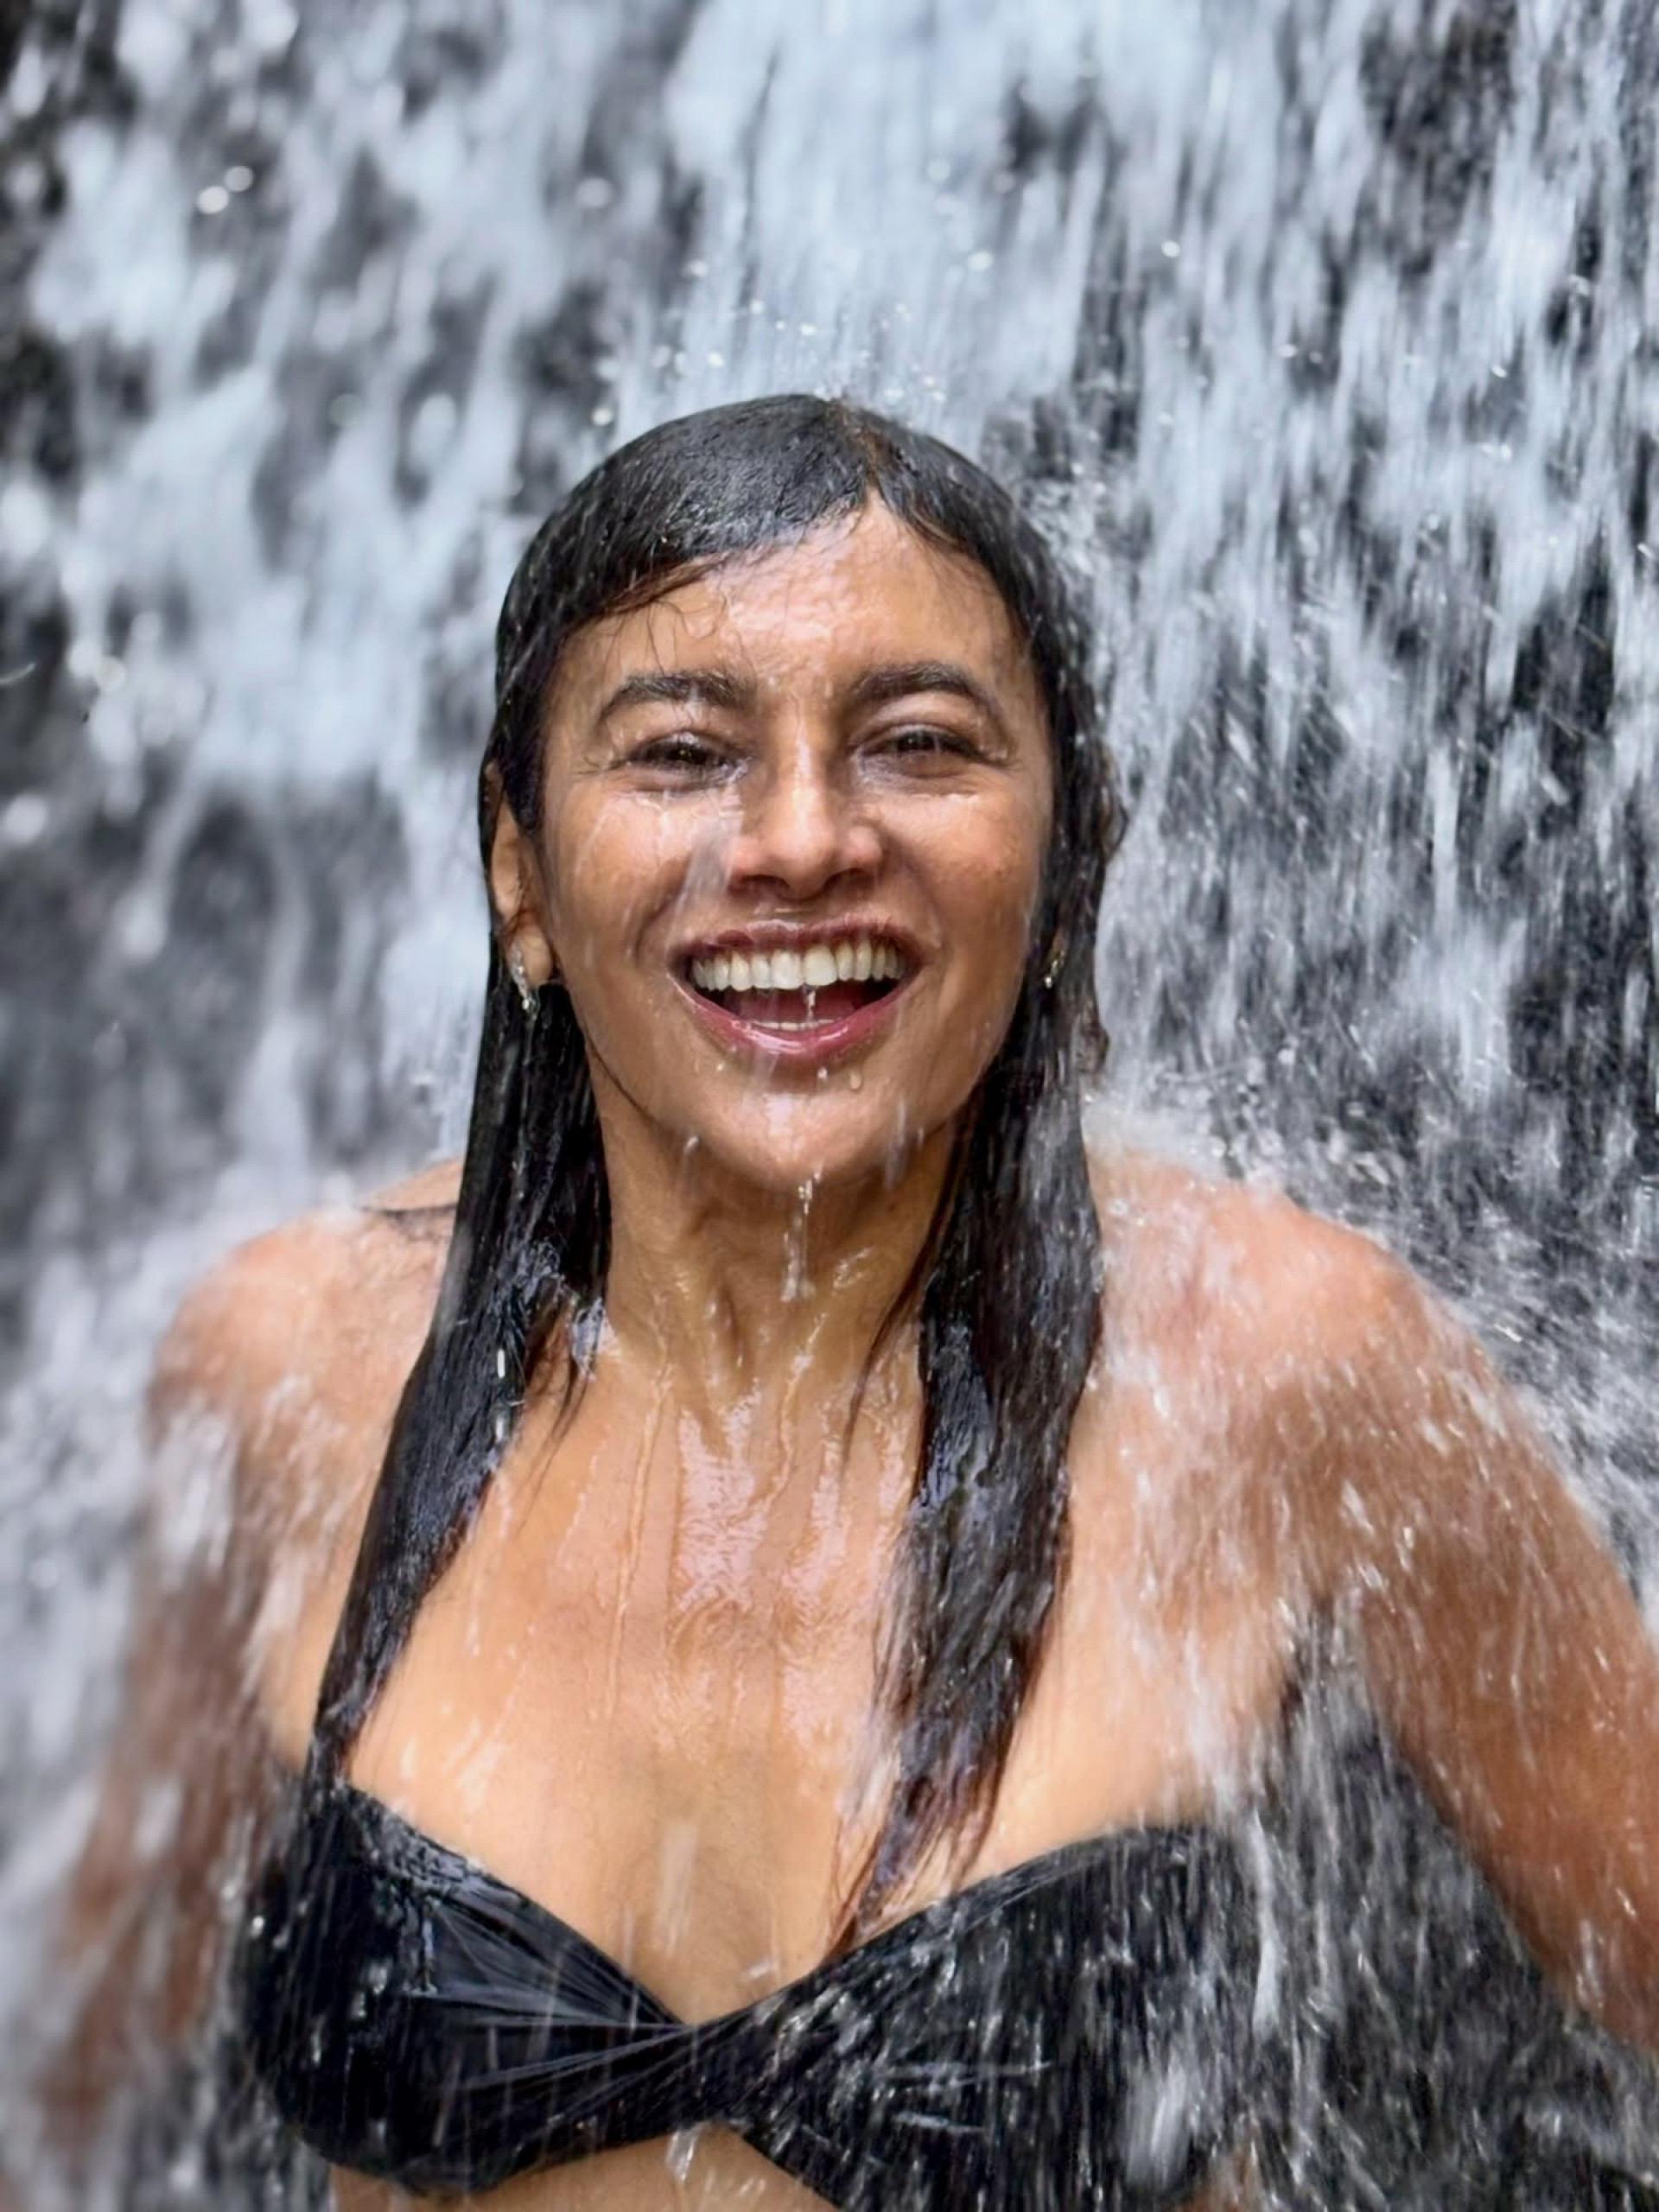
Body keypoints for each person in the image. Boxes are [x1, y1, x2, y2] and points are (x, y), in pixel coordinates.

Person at [35, 396, 1659, 2211]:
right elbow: (101, 2000)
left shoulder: (1284, 1368)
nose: (802, 838)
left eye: (915, 742)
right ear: (522, 873)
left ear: (1064, 868)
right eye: (682, 752)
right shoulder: (287, 1366)